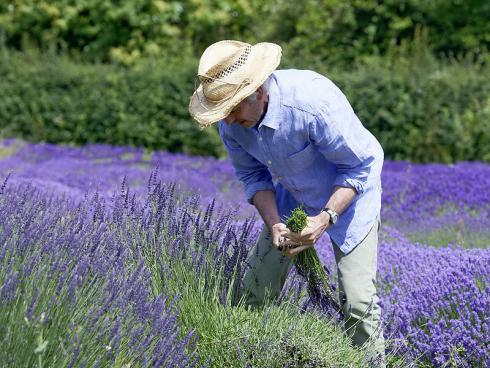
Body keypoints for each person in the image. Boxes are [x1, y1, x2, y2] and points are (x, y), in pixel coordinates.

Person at [189, 40, 385, 364]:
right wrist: (276, 224)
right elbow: (254, 178)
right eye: (221, 112)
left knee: (358, 303)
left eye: (233, 108)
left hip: (349, 195)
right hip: (293, 198)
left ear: (258, 93)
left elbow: (361, 165)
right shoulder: (233, 124)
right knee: (252, 290)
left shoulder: (312, 103)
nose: (227, 121)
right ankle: (243, 358)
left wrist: (324, 220)